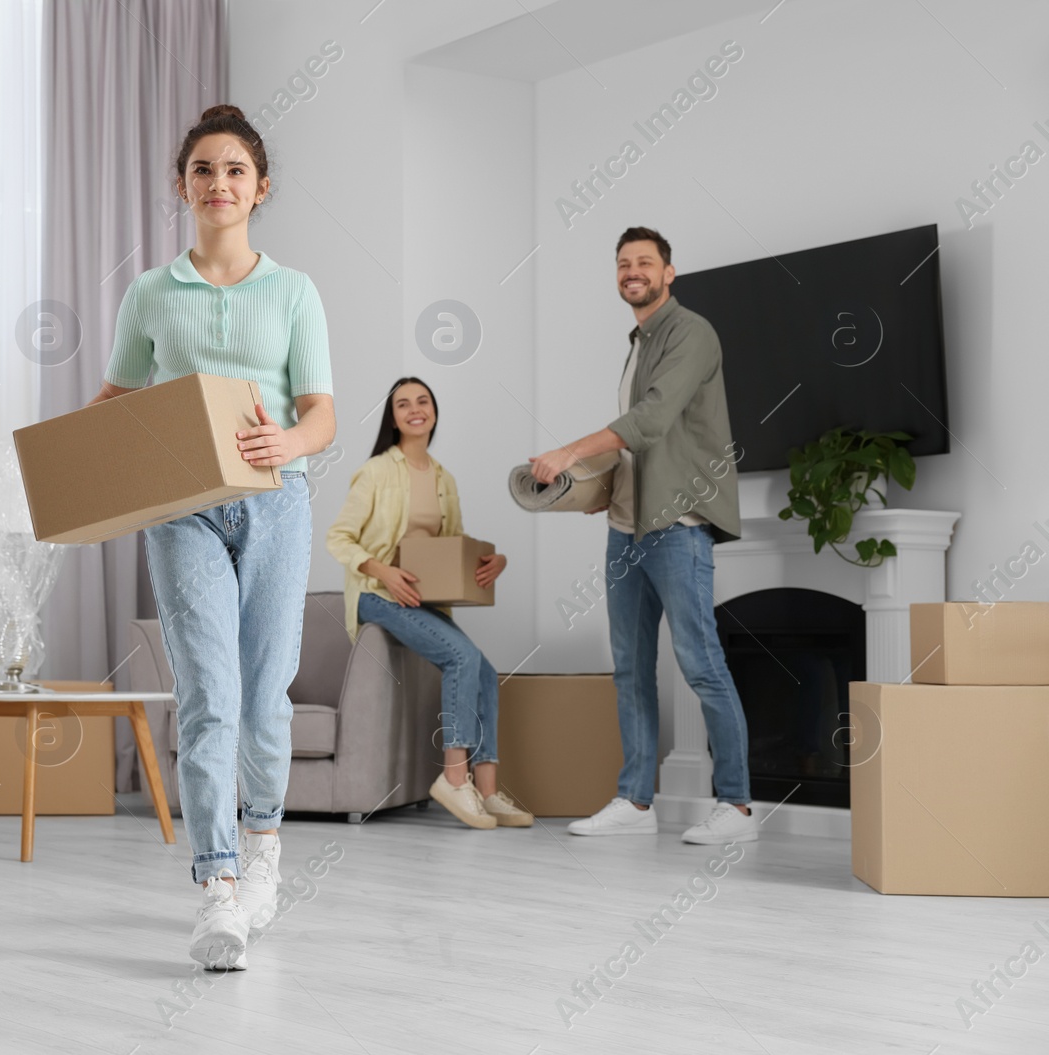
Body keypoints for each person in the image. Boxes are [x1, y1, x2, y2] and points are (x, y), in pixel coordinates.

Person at [88, 106, 335, 970]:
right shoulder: (153, 291)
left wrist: (293, 443)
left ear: (258, 188)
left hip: (276, 501)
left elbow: (321, 410)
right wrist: (65, 459)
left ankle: (265, 846)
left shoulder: (294, 290)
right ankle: (218, 886)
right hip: (181, 507)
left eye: (234, 170)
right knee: (208, 696)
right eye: (202, 169)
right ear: (182, 186)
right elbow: (118, 400)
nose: (218, 183)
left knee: (267, 693)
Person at [527, 226, 754, 846]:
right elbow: (637, 449)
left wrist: (570, 452)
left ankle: (736, 808)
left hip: (677, 526)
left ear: (669, 272)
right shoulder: (637, 340)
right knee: (629, 668)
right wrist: (592, 492)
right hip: (627, 528)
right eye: (623, 263)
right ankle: (635, 799)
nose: (633, 271)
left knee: (701, 663)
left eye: (644, 262)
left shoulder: (691, 332)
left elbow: (651, 422)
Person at [326, 377, 531, 831]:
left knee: (484, 671)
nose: (414, 409)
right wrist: (385, 573)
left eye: (423, 401)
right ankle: (453, 778)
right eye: (403, 404)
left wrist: (495, 559)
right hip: (376, 596)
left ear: (433, 411)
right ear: (393, 417)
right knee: (461, 656)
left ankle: (488, 790)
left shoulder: (444, 479)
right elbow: (338, 537)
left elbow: (453, 546)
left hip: (423, 600)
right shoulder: (376, 471)